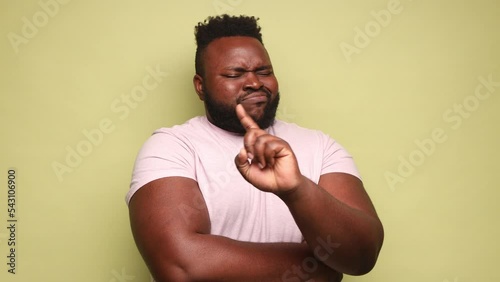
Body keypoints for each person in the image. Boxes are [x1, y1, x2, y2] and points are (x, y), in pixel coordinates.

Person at [126, 14, 384, 282]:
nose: (254, 82)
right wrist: (316, 268)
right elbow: (181, 266)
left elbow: (362, 256)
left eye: (264, 72)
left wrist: (297, 189)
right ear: (200, 87)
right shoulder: (171, 147)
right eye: (234, 74)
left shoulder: (321, 146)